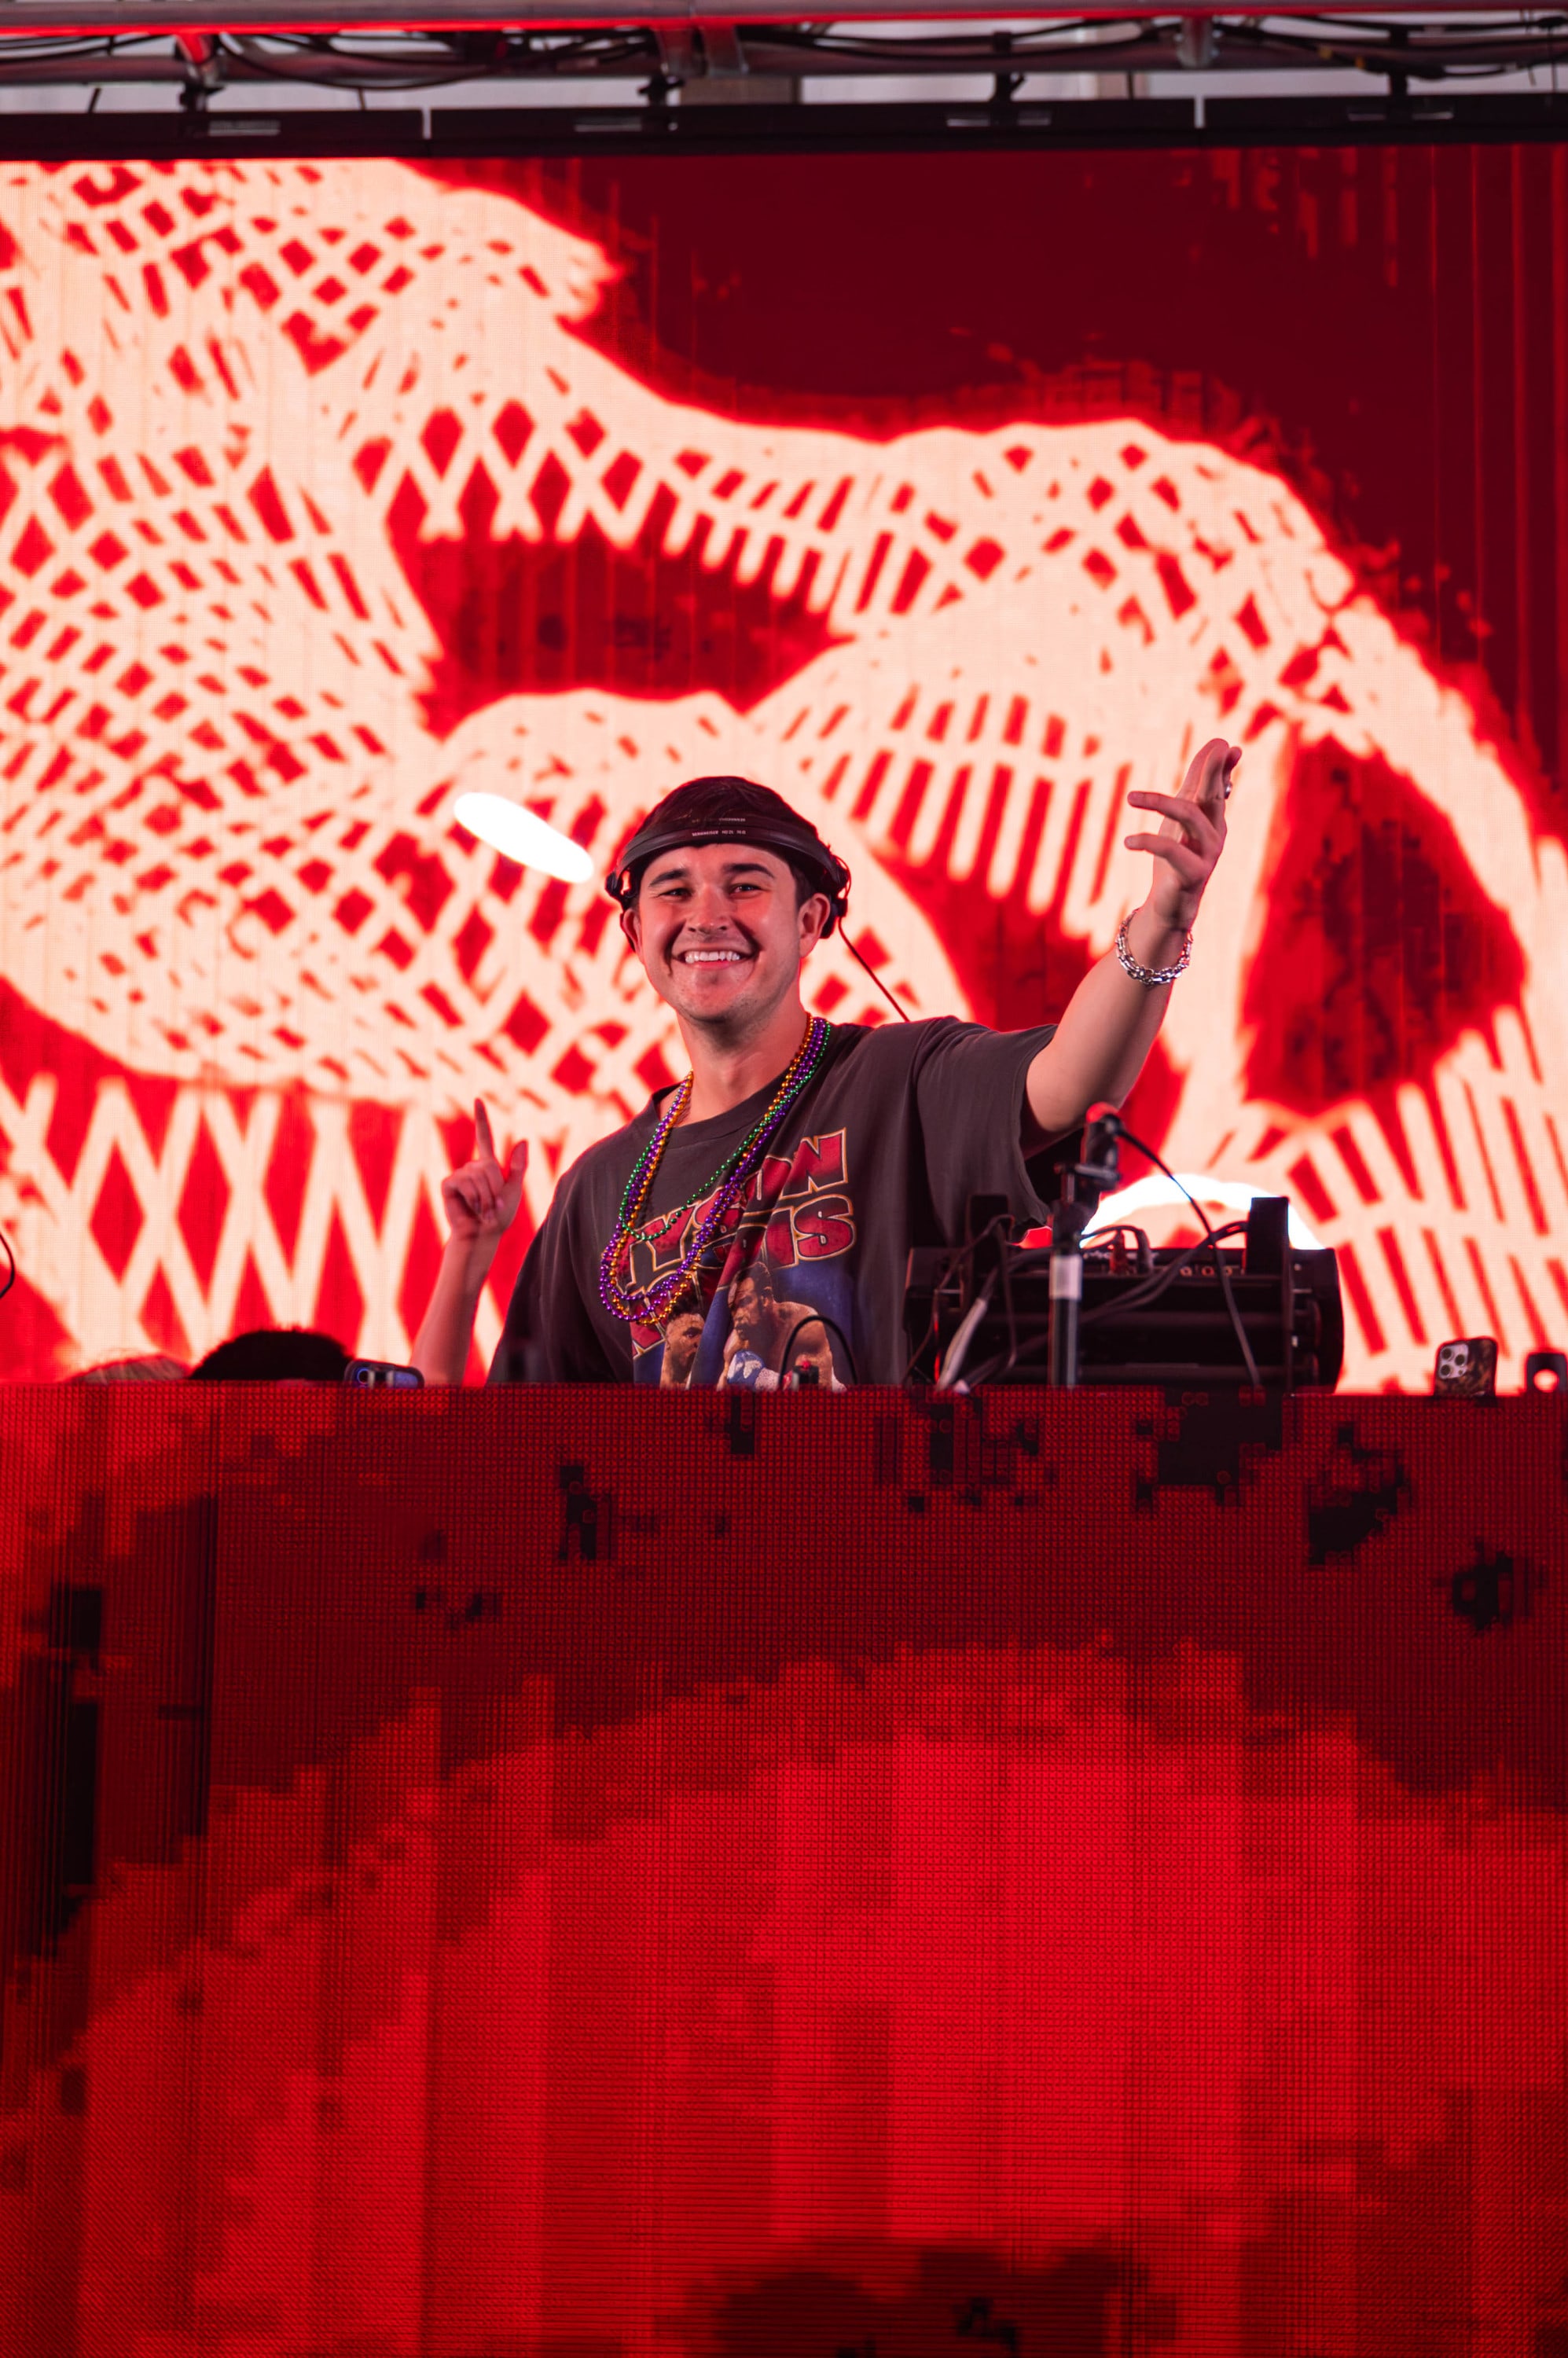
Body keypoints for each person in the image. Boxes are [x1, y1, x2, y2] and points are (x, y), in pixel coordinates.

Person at [411, 742, 1236, 1387]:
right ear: (635, 934)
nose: (707, 916)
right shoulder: (600, 1187)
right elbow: (497, 1454)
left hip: (873, 1546)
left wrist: (1164, 917)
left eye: (744, 886)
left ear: (810, 923)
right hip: (670, 1559)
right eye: (673, 890)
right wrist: (467, 1256)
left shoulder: (898, 1079)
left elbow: (1070, 1082)